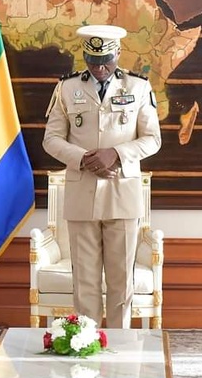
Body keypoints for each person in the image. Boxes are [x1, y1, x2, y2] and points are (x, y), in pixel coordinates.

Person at [42, 25, 162, 328]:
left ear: (118, 54)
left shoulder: (138, 87)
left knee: (121, 281)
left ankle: (120, 347)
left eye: (106, 60)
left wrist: (116, 154)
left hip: (122, 194)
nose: (99, 68)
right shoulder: (67, 88)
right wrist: (83, 159)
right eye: (92, 61)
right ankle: (87, 342)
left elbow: (152, 139)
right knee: (85, 280)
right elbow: (51, 139)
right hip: (82, 193)